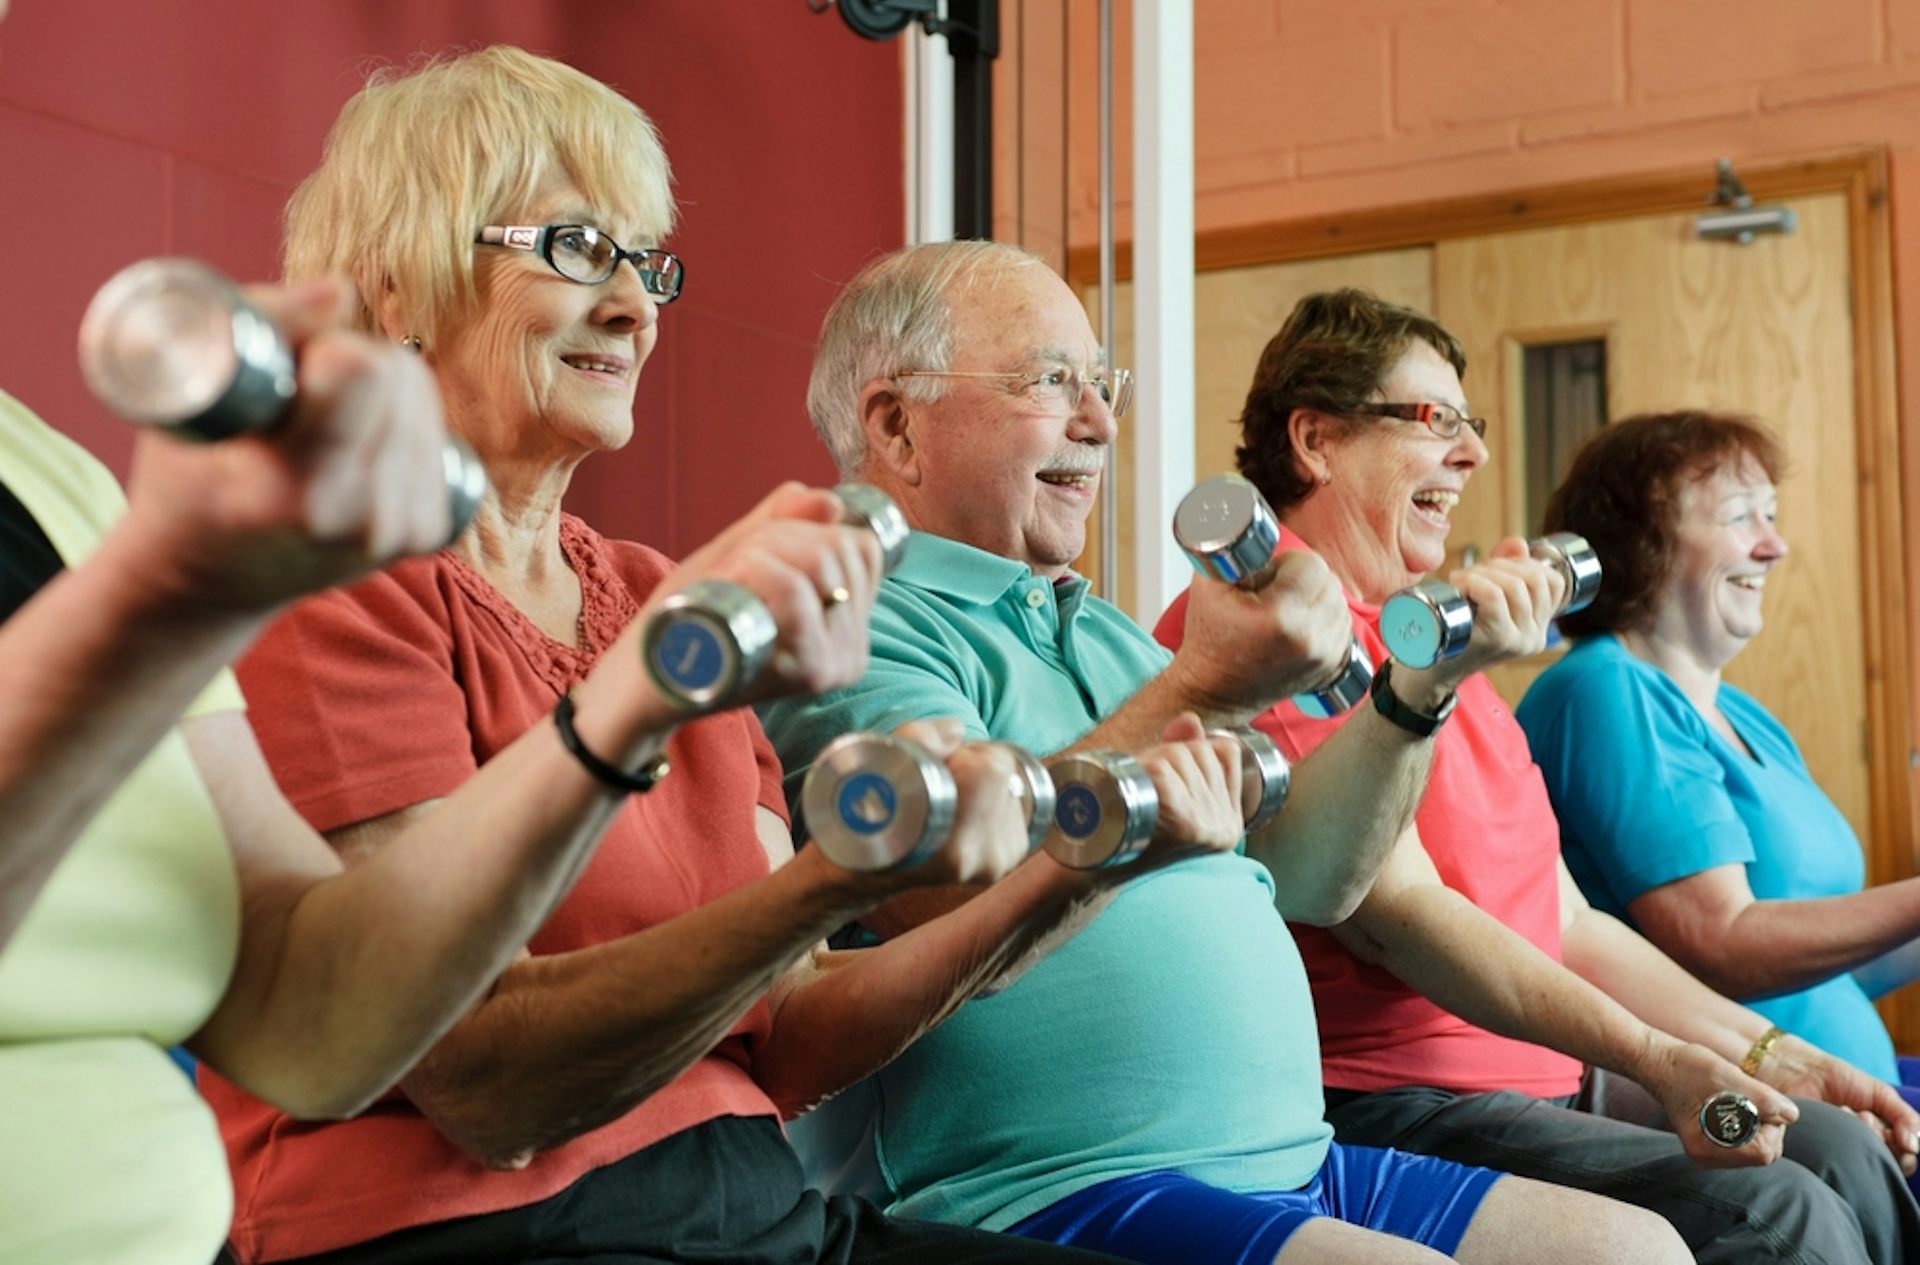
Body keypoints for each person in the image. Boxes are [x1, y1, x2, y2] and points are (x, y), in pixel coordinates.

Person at [203, 47, 1217, 1265]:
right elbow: (484, 1084)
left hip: (748, 1203)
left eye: (645, 263)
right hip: (481, 1228)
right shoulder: (331, 581)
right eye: (577, 250)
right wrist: (835, 878)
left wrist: (1079, 860)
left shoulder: (652, 592)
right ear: (399, 290)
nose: (634, 305)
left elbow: (791, 1027)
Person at [763, 239, 1693, 1265]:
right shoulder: (853, 619)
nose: (1101, 421)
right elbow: (943, 891)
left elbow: (1313, 875)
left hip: (1292, 1154)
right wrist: (1199, 684)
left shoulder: (1107, 632)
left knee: (1635, 1249)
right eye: (1050, 381)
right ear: (895, 423)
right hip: (1046, 1186)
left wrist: (1417, 688)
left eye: (1100, 383)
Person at [1155, 286, 1920, 1265]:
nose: (1473, 453)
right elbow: (1391, 913)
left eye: (1471, 424)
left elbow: (1569, 923)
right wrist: (1660, 1058)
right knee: (1776, 1207)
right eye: (1436, 420)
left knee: (1844, 1147)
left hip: (1538, 1077)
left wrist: (1773, 1051)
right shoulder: (1269, 623)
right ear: (1316, 439)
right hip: (1395, 1095)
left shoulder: (1441, 648)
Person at [1517, 409, 1920, 1110]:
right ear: (1645, 540)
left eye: (1771, 514)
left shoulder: (1744, 715)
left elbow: (1826, 972)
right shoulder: (1606, 689)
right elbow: (1719, 941)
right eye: (1742, 517)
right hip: (1738, 1114)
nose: (1774, 545)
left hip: (1849, 1099)